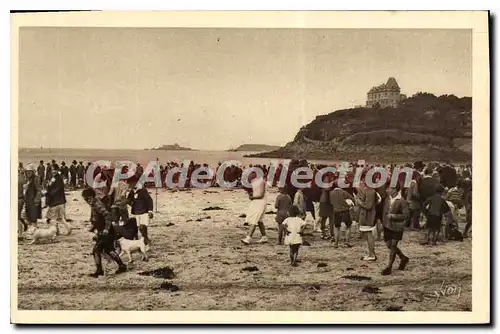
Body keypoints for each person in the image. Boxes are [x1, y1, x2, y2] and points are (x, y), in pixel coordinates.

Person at [82, 188, 127, 277]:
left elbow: (108, 216)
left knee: (96, 250)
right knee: (109, 250)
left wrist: (106, 229)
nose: (86, 201)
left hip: (106, 231)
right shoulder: (94, 204)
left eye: (86, 198)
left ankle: (99, 271)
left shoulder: (97, 204)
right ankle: (122, 266)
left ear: (90, 197)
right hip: (104, 230)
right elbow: (97, 219)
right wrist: (93, 227)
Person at [381, 185, 410, 275]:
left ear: (395, 190)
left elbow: (406, 215)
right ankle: (403, 257)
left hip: (397, 226)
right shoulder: (387, 199)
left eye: (389, 188)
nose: (387, 190)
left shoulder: (402, 201)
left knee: (393, 245)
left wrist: (394, 216)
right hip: (387, 225)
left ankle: (389, 267)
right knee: (389, 244)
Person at [241, 171, 268, 245]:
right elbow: (254, 192)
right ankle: (264, 236)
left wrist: (253, 197)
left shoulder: (261, 182)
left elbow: (261, 195)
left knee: (254, 220)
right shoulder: (254, 182)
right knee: (259, 220)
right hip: (256, 202)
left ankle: (248, 238)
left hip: (260, 202)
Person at [45, 165, 72, 235]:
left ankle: (58, 230)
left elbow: (58, 188)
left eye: (54, 170)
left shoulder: (58, 178)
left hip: (56, 201)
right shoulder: (54, 178)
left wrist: (49, 193)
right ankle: (65, 228)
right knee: (59, 218)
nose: (53, 171)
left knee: (54, 218)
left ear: (57, 170)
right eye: (52, 170)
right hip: (58, 201)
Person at [356, 179, 377, 260]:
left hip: (367, 216)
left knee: (369, 235)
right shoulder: (370, 191)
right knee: (368, 235)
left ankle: (371, 255)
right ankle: (371, 253)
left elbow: (368, 206)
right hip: (367, 215)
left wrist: (359, 202)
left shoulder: (369, 191)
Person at [127, 181, 154, 247]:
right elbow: (128, 200)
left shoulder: (143, 191)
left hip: (144, 211)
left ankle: (146, 241)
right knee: (140, 227)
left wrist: (150, 210)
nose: (130, 185)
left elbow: (149, 200)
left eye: (131, 183)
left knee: (143, 227)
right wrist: (132, 204)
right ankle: (146, 239)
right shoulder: (132, 192)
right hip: (137, 212)